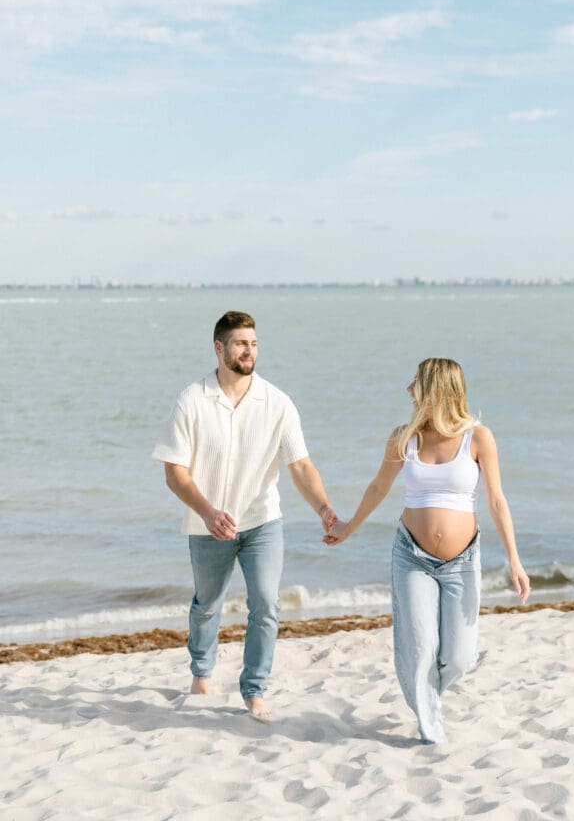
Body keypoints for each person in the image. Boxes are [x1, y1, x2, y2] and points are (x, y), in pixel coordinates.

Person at [325, 357, 530, 744]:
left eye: (415, 383)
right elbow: (378, 488)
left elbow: (497, 501)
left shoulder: (479, 437)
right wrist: (348, 528)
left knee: (460, 657)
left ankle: (428, 694)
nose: (408, 390)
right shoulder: (403, 437)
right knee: (420, 651)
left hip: (462, 560)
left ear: (436, 389)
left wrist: (515, 562)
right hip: (411, 556)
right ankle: (431, 732)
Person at [153, 310, 337, 720]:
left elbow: (301, 466)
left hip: (262, 522)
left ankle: (254, 689)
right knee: (206, 605)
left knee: (267, 604)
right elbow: (174, 472)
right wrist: (207, 512)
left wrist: (324, 509)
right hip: (207, 525)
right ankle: (201, 672)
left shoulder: (277, 402)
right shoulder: (192, 400)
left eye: (253, 343)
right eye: (240, 343)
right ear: (218, 348)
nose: (249, 350)